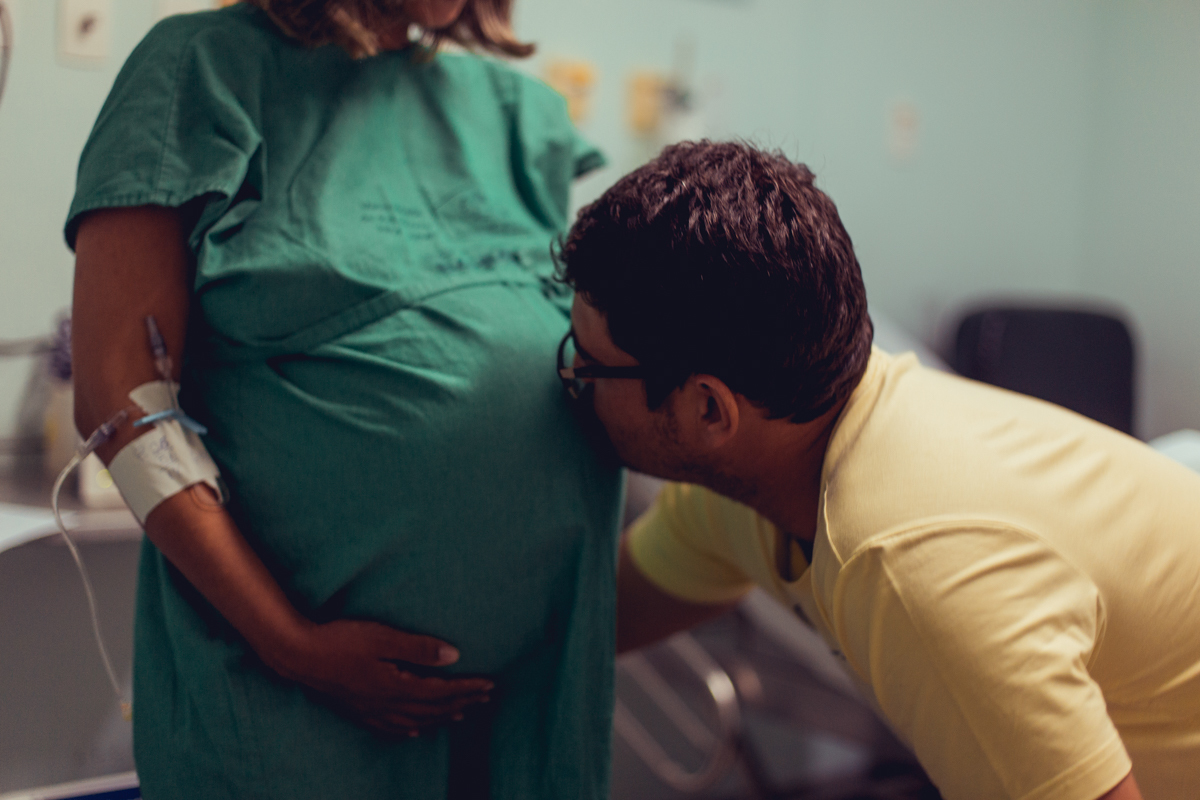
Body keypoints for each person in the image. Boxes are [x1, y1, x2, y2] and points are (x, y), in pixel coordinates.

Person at [66, 1, 623, 797]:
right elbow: (120, 399)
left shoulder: (509, 113)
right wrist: (290, 642)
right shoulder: (201, 70)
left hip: (531, 709)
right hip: (290, 706)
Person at [554, 140, 1200, 800]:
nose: (570, 380)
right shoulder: (753, 487)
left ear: (711, 411)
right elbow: (582, 634)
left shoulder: (913, 568)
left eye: (591, 363)